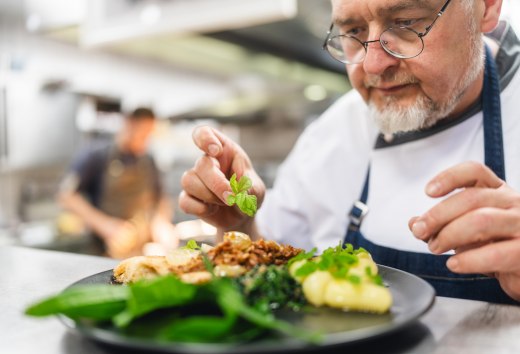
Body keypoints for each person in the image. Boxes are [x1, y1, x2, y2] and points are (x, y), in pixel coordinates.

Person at [179, 0, 520, 304]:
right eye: (353, 30)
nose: (373, 65)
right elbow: (268, 268)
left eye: (406, 22)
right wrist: (240, 224)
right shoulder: (332, 134)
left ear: (487, 7)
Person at [58, 107, 178, 258]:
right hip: (105, 250)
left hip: (141, 247)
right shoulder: (96, 155)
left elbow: (160, 198)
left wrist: (161, 223)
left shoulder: (148, 160)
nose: (145, 140)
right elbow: (67, 196)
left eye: (149, 135)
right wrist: (105, 225)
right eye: (142, 134)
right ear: (129, 124)